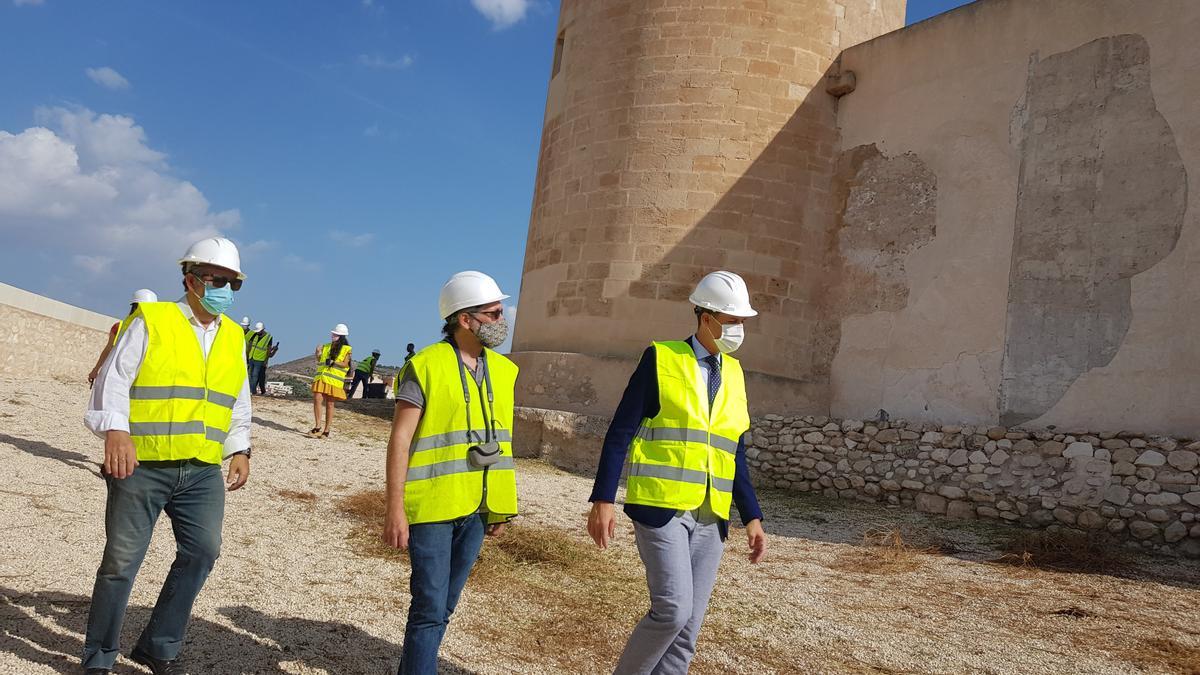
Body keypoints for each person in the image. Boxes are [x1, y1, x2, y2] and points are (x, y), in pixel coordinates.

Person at [82, 236, 252, 675]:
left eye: (234, 284)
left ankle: (158, 647)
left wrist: (240, 448)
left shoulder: (234, 336)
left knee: (203, 552)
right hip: (142, 464)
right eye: (219, 281)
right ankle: (99, 658)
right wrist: (115, 432)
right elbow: (112, 379)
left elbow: (238, 398)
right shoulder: (153, 320)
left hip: (200, 469)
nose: (226, 291)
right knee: (121, 562)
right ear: (191, 281)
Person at [587, 270, 767, 674]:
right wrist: (602, 499)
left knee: (688, 630)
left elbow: (733, 451)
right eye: (733, 321)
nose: (739, 330)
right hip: (661, 508)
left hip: (711, 516)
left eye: (742, 322)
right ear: (706, 317)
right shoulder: (662, 357)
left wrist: (752, 516)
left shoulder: (735, 375)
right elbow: (621, 430)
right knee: (672, 610)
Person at [383, 271, 519, 674]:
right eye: (493, 314)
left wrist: (501, 506)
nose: (501, 321)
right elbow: (400, 441)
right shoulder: (423, 366)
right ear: (465, 319)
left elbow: (503, 444)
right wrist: (395, 509)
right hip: (432, 508)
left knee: (445, 606)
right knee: (428, 606)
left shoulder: (506, 372)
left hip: (479, 506)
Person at [88, 289, 158, 387]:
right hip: (125, 377)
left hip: (125, 377)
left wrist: (95, 370)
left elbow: (108, 349)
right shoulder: (119, 327)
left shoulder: (120, 327)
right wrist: (95, 370)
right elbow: (108, 349)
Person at [310, 323, 351, 438]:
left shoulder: (346, 349)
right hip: (322, 377)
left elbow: (345, 364)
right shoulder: (326, 346)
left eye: (336, 334)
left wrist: (334, 362)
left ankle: (326, 430)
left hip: (334, 381)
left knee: (330, 404)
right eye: (333, 334)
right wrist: (317, 353)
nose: (333, 336)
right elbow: (320, 360)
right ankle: (317, 426)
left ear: (342, 336)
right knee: (317, 398)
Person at [246, 322, 277, 396]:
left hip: (259, 359)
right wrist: (247, 355)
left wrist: (266, 361)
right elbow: (249, 345)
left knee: (255, 375)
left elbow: (268, 350)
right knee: (250, 375)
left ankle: (252, 391)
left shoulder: (268, 338)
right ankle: (251, 390)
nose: (258, 332)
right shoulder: (255, 335)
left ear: (262, 330)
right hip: (251, 357)